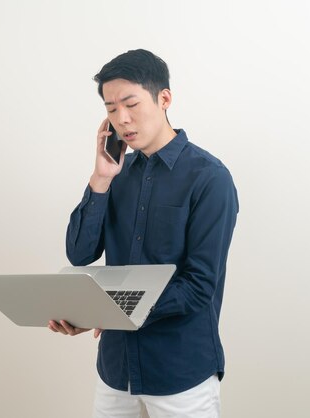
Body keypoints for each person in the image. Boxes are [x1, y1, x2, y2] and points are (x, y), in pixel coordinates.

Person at [48, 49, 238, 418]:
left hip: (180, 373)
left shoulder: (210, 178)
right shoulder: (115, 174)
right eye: (110, 109)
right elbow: (79, 253)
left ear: (164, 98)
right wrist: (101, 178)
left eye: (131, 103)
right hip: (116, 373)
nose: (122, 118)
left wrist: (111, 311)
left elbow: (199, 285)